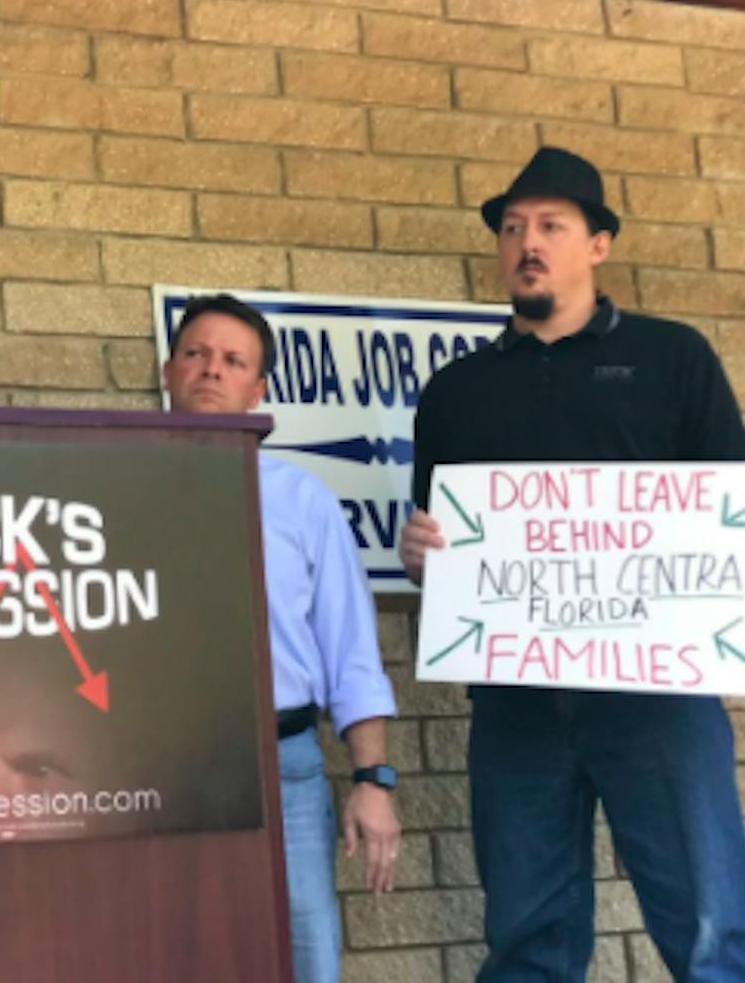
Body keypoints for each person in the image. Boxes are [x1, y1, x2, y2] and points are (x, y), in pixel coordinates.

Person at [398, 146, 745, 981]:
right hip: (516, 701)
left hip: (657, 693)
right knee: (526, 940)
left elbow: (732, 518)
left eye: (552, 225)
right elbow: (438, 548)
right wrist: (421, 555)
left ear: (599, 244)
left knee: (712, 933)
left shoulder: (674, 358)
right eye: (513, 227)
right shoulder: (454, 391)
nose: (528, 241)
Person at [163, 294, 401, 983]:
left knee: (301, 953)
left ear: (259, 389)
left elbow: (350, 649)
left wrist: (372, 778)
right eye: (196, 354)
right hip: (151, 770)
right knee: (164, 943)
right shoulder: (111, 482)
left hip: (283, 764)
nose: (211, 370)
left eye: (233, 360)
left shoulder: (303, 499)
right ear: (168, 369)